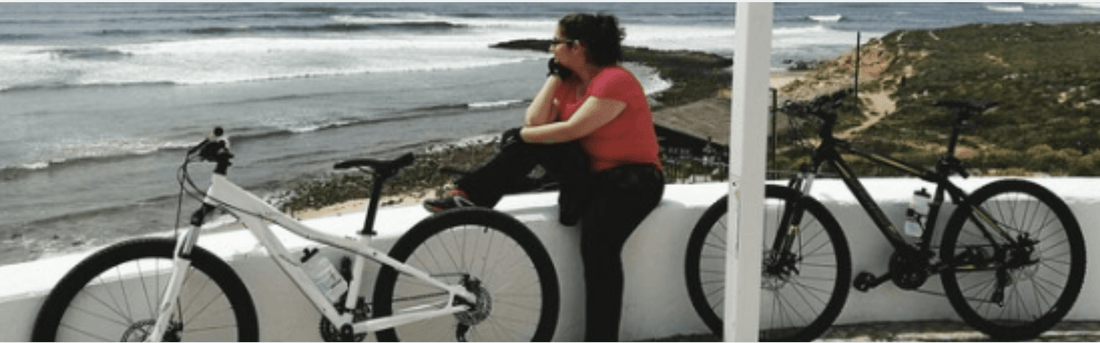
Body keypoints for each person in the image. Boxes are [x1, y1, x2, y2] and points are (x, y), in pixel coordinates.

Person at [424, 13, 664, 341]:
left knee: (598, 249)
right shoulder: (568, 82)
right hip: (592, 174)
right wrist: (554, 76)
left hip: (633, 181)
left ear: (577, 47)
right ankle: (468, 195)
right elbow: (536, 121)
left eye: (556, 42)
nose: (550, 47)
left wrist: (521, 136)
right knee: (529, 142)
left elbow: (571, 129)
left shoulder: (614, 80)